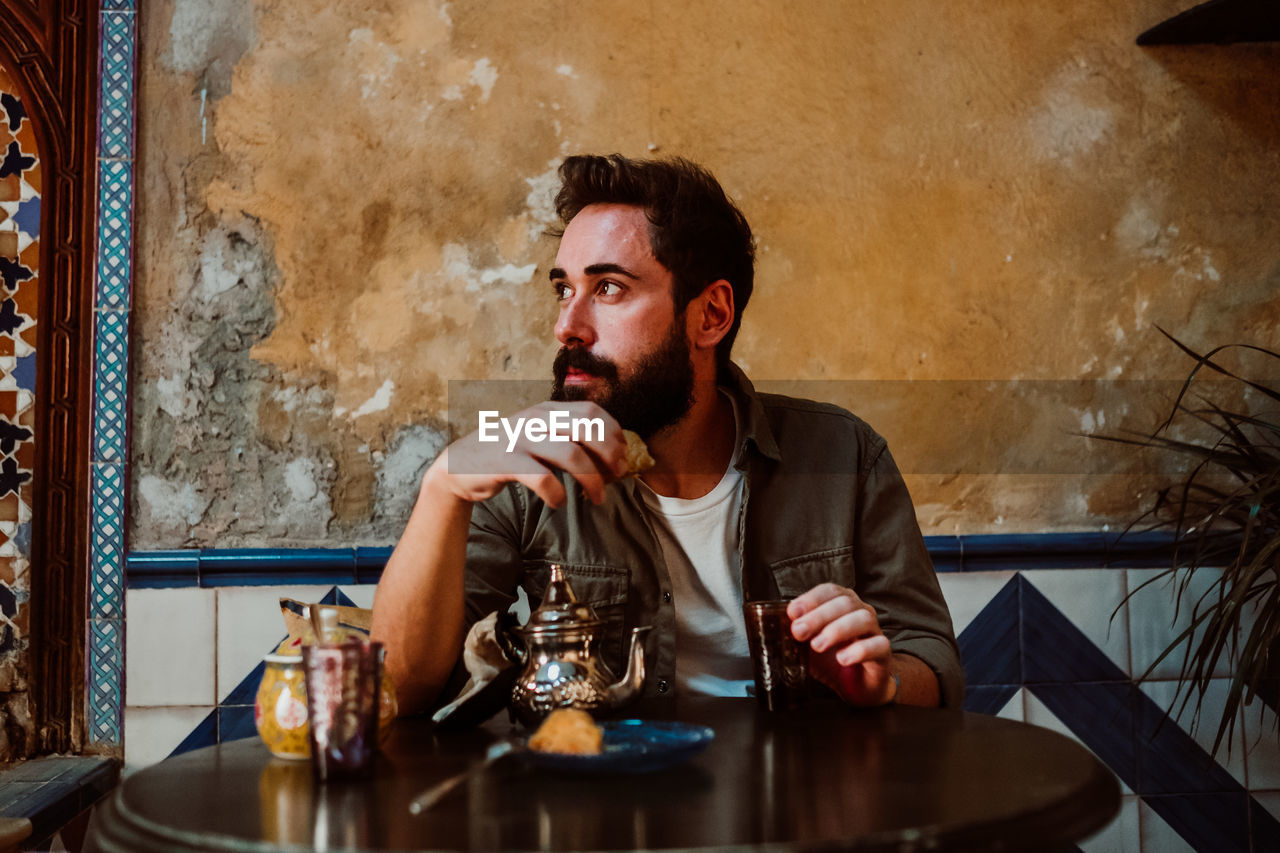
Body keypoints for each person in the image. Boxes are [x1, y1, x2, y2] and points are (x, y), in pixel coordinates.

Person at [371, 154, 963, 716]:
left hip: (806, 804)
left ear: (711, 315)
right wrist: (443, 484)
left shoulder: (843, 453)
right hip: (606, 808)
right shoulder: (524, 458)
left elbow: (932, 659)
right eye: (563, 289)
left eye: (608, 288)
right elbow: (400, 690)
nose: (566, 327)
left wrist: (880, 684)